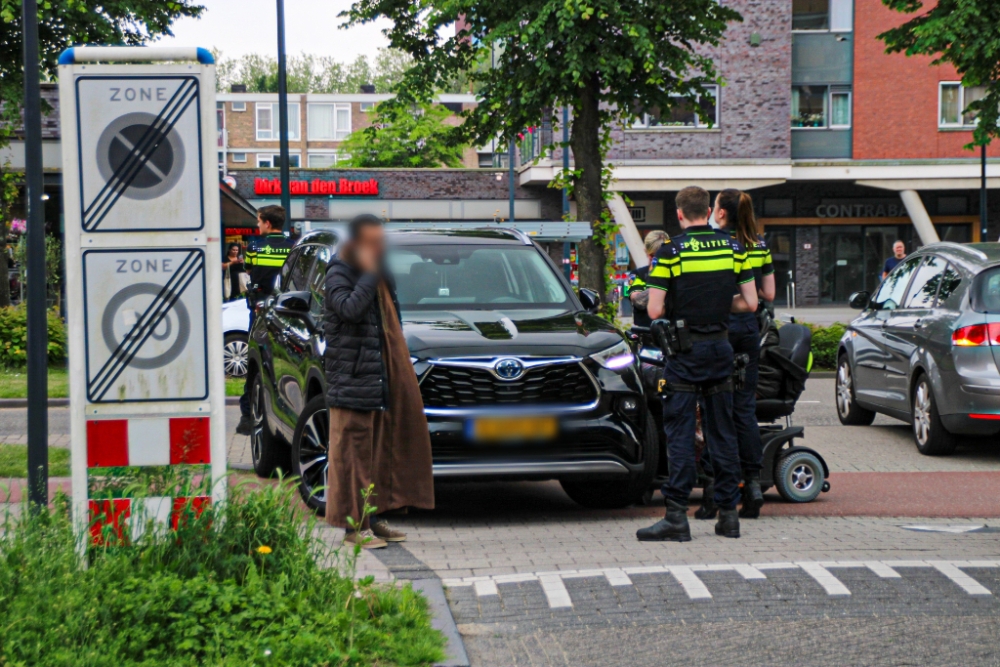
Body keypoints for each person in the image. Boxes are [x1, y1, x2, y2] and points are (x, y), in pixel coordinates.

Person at [636, 186, 758, 543]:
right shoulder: (735, 248)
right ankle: (729, 516)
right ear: (708, 211)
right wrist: (719, 307)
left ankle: (676, 517)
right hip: (721, 349)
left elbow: (654, 309)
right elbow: (750, 302)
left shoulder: (671, 251)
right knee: (722, 431)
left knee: (680, 432)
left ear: (679, 214)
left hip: (685, 354)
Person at [323, 214, 434, 548]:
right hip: (353, 378)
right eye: (371, 241)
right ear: (355, 242)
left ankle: (375, 516)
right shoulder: (339, 271)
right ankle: (353, 530)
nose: (378, 247)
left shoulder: (379, 272)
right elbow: (349, 309)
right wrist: (370, 273)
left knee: (379, 452)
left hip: (380, 375)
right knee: (353, 456)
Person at [702, 189, 775, 521]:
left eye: (714, 206)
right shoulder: (760, 245)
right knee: (744, 410)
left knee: (714, 410)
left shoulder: (715, 244)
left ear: (720, 214)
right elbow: (769, 293)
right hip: (748, 331)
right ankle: (755, 486)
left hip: (719, 331)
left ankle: (713, 491)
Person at [235, 206, 294, 435]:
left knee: (256, 360)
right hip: (288, 311)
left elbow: (249, 271)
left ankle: (248, 415)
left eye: (259, 221)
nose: (257, 226)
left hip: (260, 311)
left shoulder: (255, 246)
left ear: (267, 223)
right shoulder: (294, 247)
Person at [626, 230, 670, 328]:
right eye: (652, 255)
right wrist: (663, 286)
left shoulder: (674, 272)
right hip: (646, 332)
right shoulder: (637, 274)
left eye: (659, 255)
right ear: (646, 251)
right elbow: (637, 301)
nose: (655, 259)